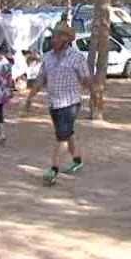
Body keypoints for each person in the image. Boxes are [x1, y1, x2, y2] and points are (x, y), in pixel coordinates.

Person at [25, 24, 92, 186]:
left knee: (61, 137)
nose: (53, 40)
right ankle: (77, 160)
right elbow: (41, 78)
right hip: (54, 103)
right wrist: (30, 96)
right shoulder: (48, 57)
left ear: (67, 40)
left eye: (57, 37)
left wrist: (94, 96)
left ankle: (53, 170)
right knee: (67, 133)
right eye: (53, 37)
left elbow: (87, 79)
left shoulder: (77, 58)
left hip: (70, 104)